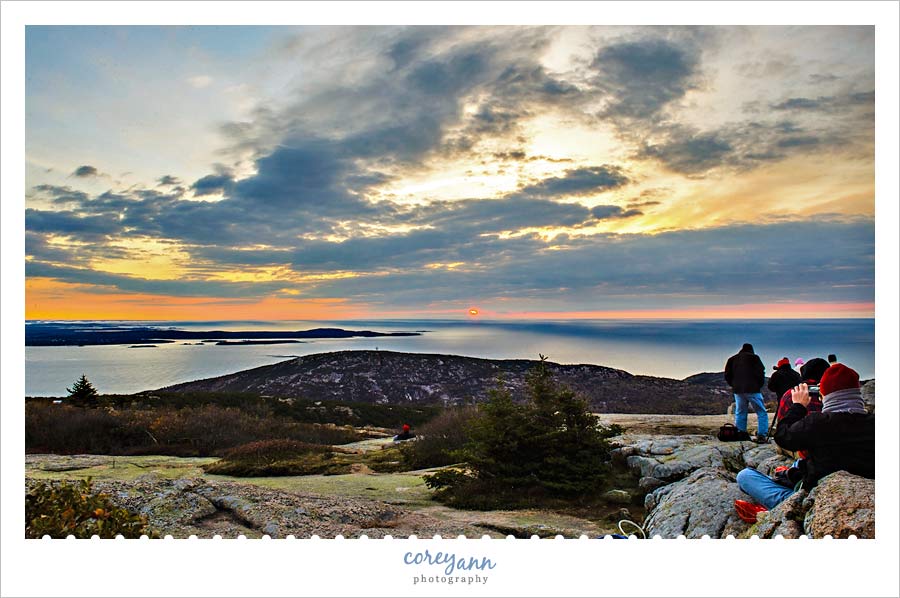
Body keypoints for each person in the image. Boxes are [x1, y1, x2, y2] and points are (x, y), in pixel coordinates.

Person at [735, 363, 874, 512]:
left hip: (815, 502)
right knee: (800, 463)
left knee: (745, 476)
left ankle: (781, 508)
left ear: (825, 394)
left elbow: (782, 436)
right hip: (864, 493)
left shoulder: (818, 423)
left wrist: (799, 406)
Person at [724, 343, 768, 442]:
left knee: (740, 412)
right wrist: (758, 385)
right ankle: (762, 435)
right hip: (753, 389)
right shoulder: (755, 358)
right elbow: (761, 372)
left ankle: (741, 433)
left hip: (738, 390)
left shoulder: (732, 359)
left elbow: (727, 374)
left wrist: (733, 384)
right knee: (761, 412)